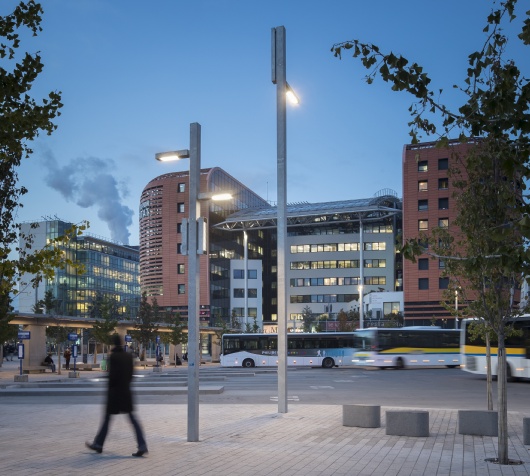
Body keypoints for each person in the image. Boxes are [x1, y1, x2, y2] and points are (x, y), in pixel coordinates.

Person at [85, 334, 148, 457]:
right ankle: (142, 445)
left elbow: (111, 377)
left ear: (112, 344)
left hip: (114, 393)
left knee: (107, 419)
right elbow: (131, 375)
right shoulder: (128, 356)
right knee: (133, 420)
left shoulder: (112, 357)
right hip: (126, 392)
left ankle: (98, 444)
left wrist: (110, 391)